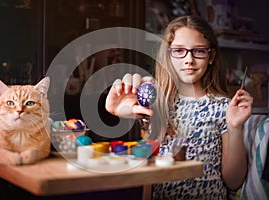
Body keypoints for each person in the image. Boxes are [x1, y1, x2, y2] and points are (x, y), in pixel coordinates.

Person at [105, 15, 253, 199]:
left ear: (211, 56)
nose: (188, 59)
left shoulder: (223, 107)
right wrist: (116, 109)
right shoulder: (157, 104)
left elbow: (233, 181)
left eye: (198, 51)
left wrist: (235, 127)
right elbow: (147, 170)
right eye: (179, 51)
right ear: (168, 55)